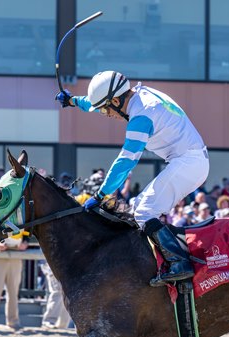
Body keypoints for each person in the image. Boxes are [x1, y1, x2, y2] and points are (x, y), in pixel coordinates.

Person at [56, 70, 209, 285]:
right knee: (137, 207)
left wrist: (101, 195)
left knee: (145, 210)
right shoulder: (134, 95)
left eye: (106, 111)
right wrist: (73, 101)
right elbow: (96, 103)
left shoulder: (142, 116)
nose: (107, 115)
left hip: (189, 163)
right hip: (189, 160)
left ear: (116, 101)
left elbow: (126, 161)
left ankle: (180, 263)